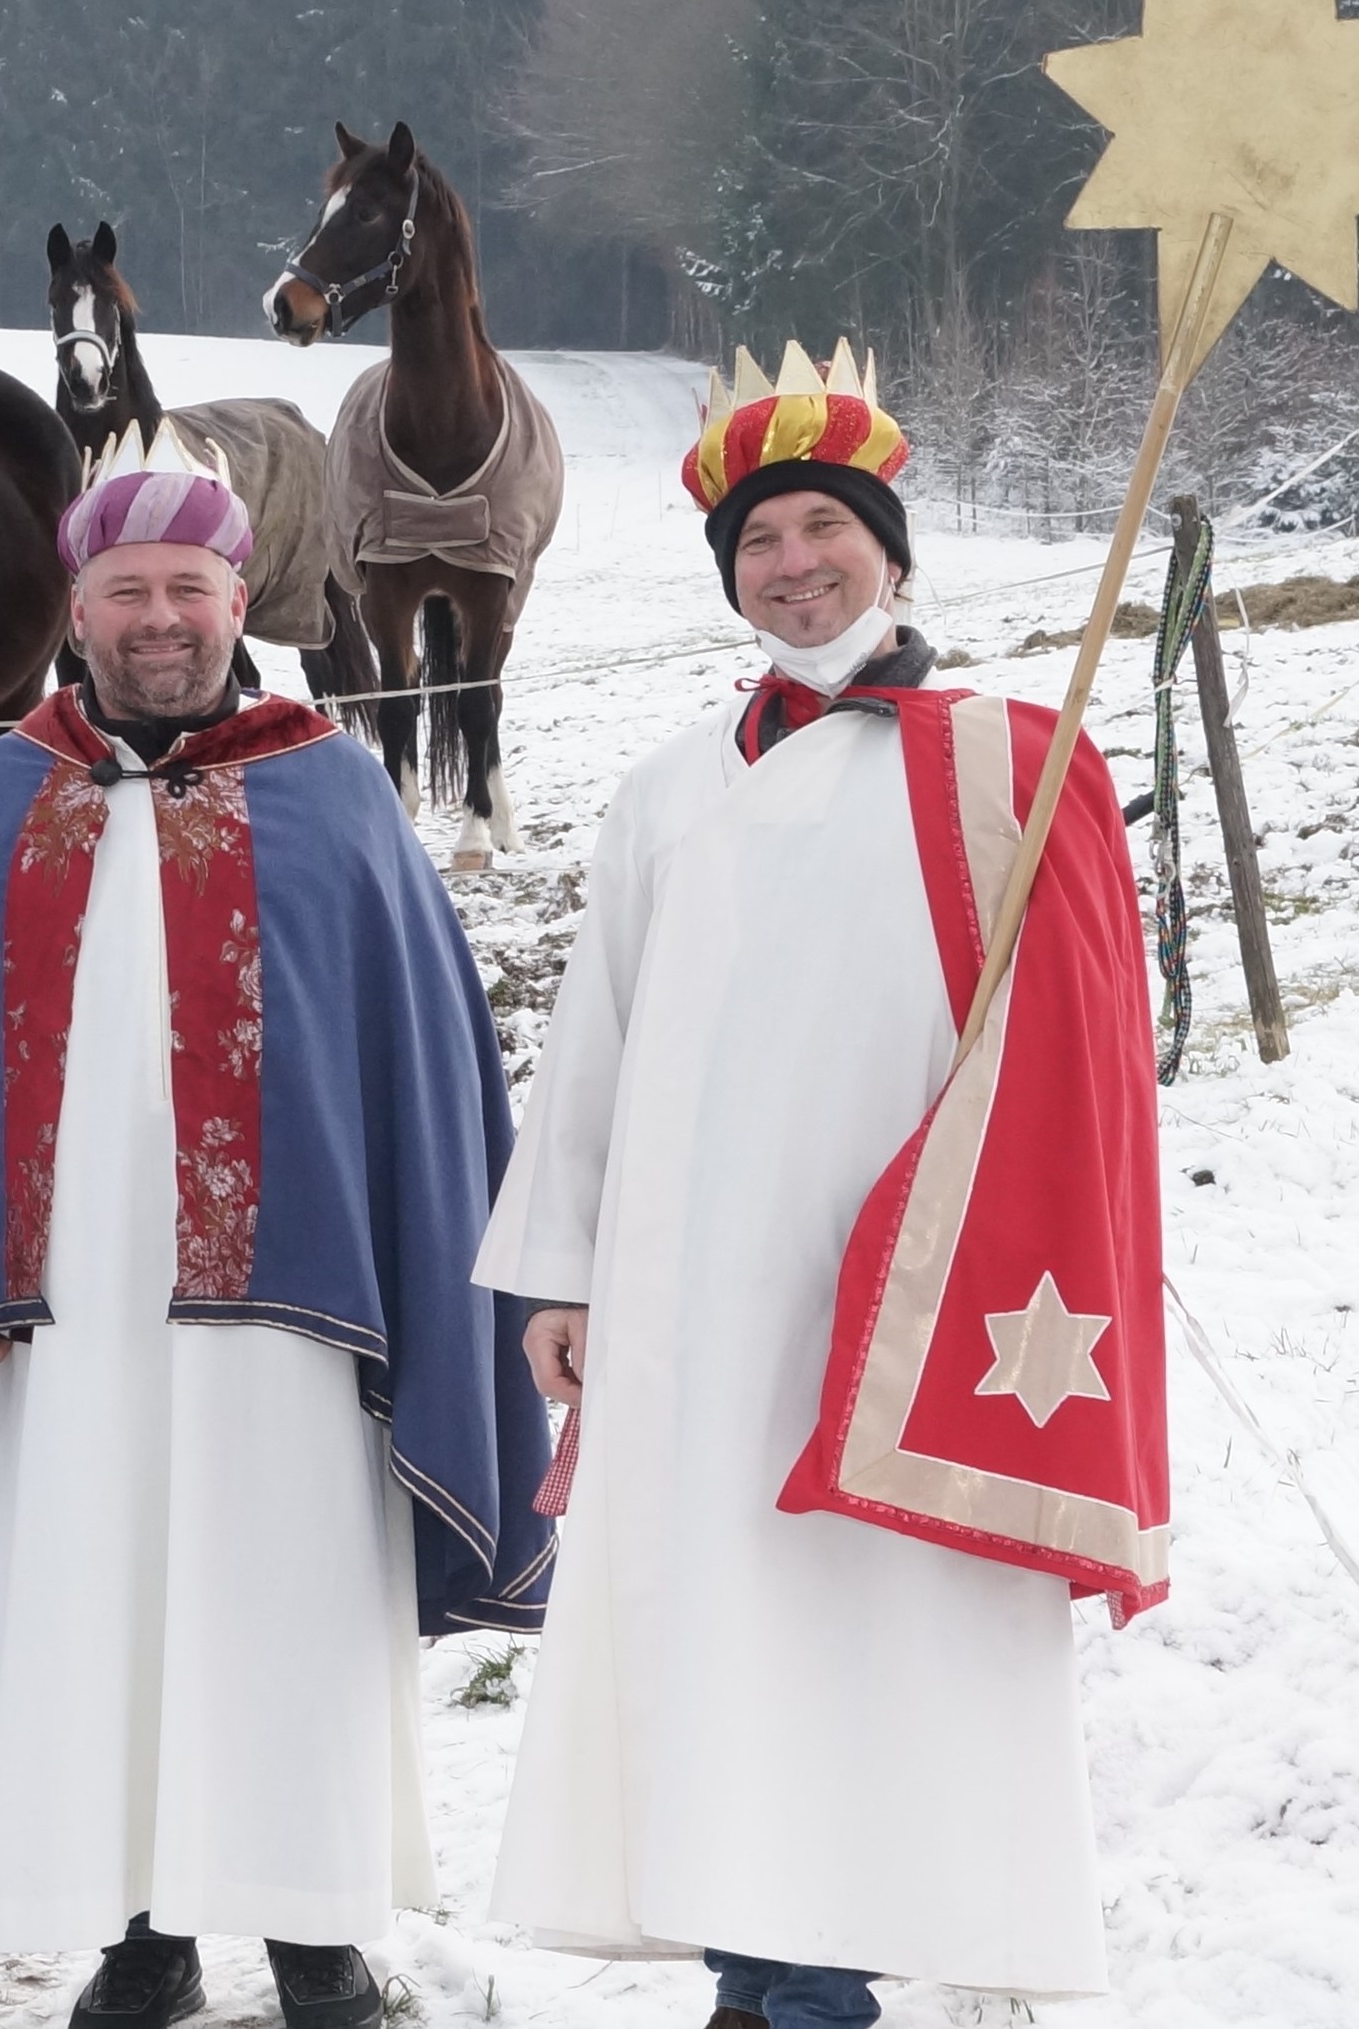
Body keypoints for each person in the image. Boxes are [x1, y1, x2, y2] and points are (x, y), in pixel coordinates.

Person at [474, 344, 1166, 2029]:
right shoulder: (667, 786)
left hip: (898, 1287)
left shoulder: (1008, 761)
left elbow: (1079, 1049)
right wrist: (560, 1269)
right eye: (759, 542)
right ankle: (755, 1959)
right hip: (691, 1293)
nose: (792, 564)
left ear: (889, 551)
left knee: (865, 1625)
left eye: (822, 529)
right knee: (716, 1623)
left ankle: (825, 1963)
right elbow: (596, 1037)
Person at [0, 429, 551, 2029]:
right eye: (124, 590)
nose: (158, 618)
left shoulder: (336, 795)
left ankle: (311, 1928)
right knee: (93, 1598)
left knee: (286, 1604)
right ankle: (141, 1927)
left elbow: (422, 1069)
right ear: (75, 608)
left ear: (238, 597)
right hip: (56, 1313)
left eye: (187, 587)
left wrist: (413, 1277)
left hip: (294, 1307)